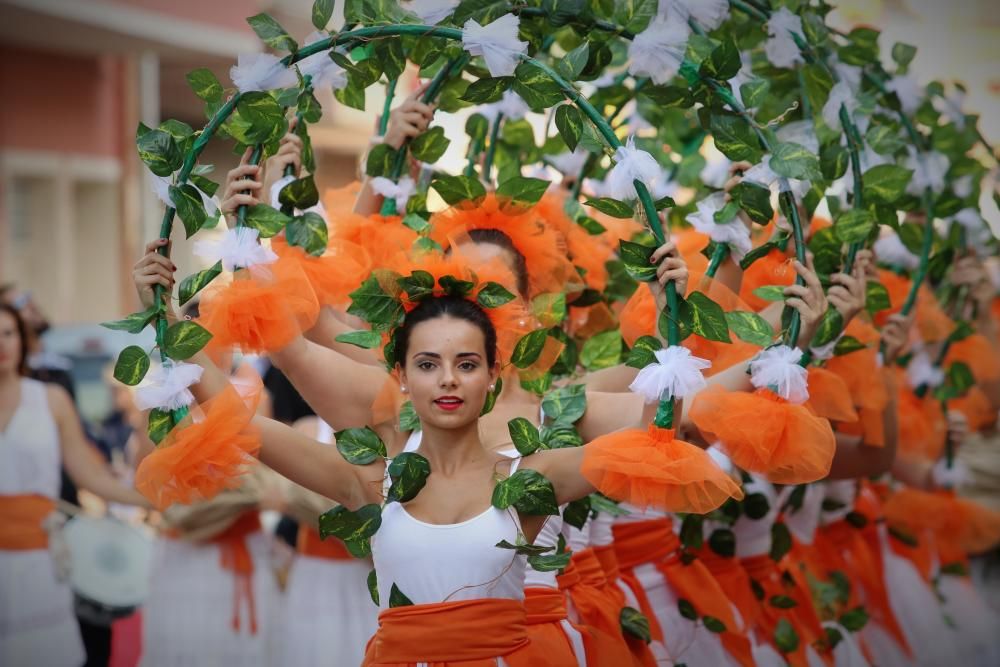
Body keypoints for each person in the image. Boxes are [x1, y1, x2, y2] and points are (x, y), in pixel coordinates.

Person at [0, 303, 149, 666]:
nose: (1, 343)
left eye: (8, 333)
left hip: (39, 557)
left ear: (21, 339)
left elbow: (89, 474)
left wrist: (148, 500)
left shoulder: (51, 400)